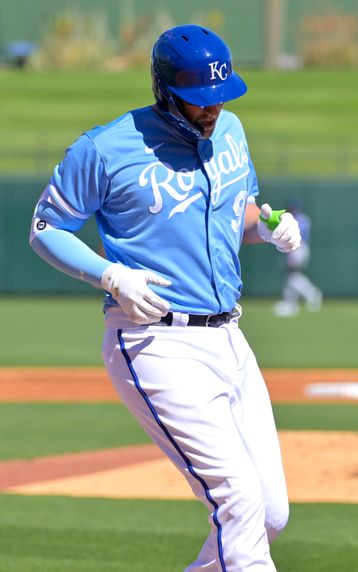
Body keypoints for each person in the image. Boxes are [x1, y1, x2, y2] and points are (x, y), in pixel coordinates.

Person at [29, 25, 301, 571]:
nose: (212, 109)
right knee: (238, 502)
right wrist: (109, 275)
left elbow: (238, 213)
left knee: (269, 514)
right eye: (199, 100)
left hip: (230, 337)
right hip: (154, 340)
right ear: (164, 90)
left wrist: (267, 226)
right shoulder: (106, 148)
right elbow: (45, 228)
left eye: (219, 97)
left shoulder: (231, 132)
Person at [273, 198, 323, 317]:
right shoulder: (302, 219)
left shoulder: (298, 220)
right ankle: (291, 303)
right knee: (291, 276)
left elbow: (295, 235)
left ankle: (311, 293)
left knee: (292, 275)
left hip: (298, 248)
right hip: (298, 248)